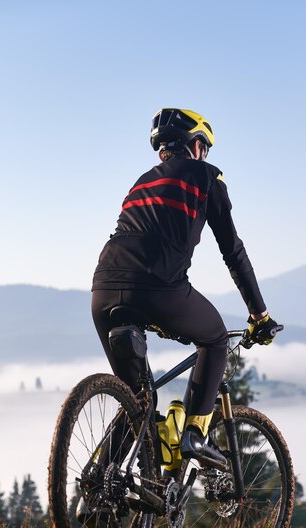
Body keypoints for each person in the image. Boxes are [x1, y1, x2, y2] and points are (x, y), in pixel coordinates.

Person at [91, 108, 279, 466]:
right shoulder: (207, 176)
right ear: (195, 146)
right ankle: (193, 435)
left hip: (102, 288)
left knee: (137, 401)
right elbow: (233, 251)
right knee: (216, 338)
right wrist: (260, 313)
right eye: (204, 147)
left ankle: (99, 497)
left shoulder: (142, 181)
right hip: (157, 287)